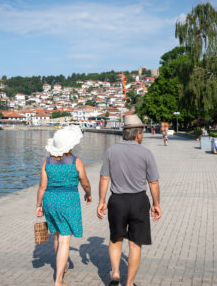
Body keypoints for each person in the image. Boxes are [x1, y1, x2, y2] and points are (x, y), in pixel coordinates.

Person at [97, 115, 161, 286]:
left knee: (115, 240)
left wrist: (101, 201)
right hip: (138, 201)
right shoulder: (146, 153)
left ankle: (115, 274)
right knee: (135, 244)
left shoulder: (111, 151)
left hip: (117, 201)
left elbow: (104, 178)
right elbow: (153, 182)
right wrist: (156, 204)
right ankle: (129, 283)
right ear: (138, 134)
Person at [36, 125, 92, 286]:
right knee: (65, 240)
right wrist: (88, 194)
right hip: (68, 201)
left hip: (50, 201)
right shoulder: (76, 161)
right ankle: (58, 280)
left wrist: (38, 205)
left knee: (57, 235)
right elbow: (85, 182)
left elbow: (42, 187)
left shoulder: (47, 162)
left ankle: (63, 265)